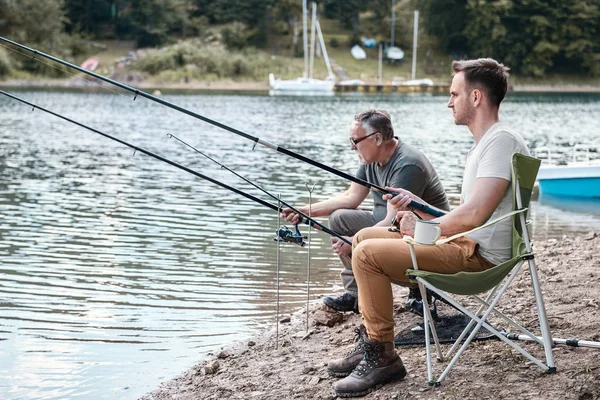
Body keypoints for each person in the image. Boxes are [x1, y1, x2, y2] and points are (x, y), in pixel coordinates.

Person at [329, 58, 531, 397]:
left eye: (454, 94)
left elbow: (476, 214)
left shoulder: (500, 141)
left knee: (365, 254)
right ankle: (371, 341)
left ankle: (383, 355)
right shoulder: (486, 144)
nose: (448, 102)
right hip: (465, 243)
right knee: (363, 236)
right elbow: (471, 213)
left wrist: (426, 227)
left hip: (478, 257)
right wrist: (421, 213)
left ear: (476, 97)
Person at [281, 109, 449, 313]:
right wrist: (305, 211)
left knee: (350, 238)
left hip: (424, 237)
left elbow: (391, 221)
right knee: (339, 218)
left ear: (377, 138)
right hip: (390, 226)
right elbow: (350, 197)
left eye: (355, 141)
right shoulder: (370, 160)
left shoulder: (407, 165)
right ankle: (355, 295)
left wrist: (354, 242)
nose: (352, 147)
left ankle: (418, 286)